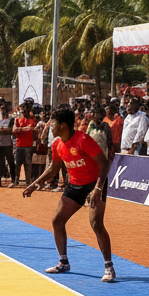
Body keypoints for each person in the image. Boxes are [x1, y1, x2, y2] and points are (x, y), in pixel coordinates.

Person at [23, 106, 115, 282]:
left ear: (63, 125)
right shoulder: (57, 144)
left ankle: (109, 267)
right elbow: (54, 168)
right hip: (74, 185)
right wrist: (35, 185)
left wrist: (98, 189)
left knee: (96, 224)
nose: (50, 126)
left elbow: (104, 163)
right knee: (57, 220)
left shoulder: (83, 139)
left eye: (53, 123)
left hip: (94, 184)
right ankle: (63, 262)